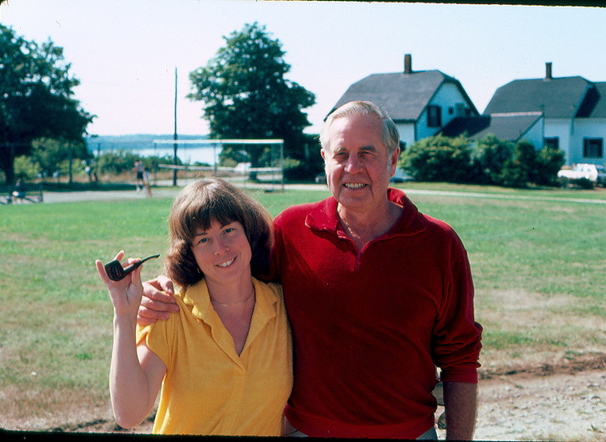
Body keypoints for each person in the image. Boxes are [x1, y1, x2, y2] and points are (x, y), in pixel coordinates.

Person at [139, 101, 482, 439]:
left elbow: (461, 358)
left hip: (409, 434)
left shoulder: (439, 243)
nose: (352, 168)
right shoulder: (290, 230)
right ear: (325, 161)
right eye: (341, 154)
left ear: (393, 160)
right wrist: (167, 285)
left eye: (367, 153)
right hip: (306, 433)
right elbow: (228, 266)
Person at [95, 178, 293, 435]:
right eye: (203, 240)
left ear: (249, 233)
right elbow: (128, 414)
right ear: (190, 254)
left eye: (228, 231)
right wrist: (123, 315)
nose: (220, 249)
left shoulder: (284, 307)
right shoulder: (170, 312)